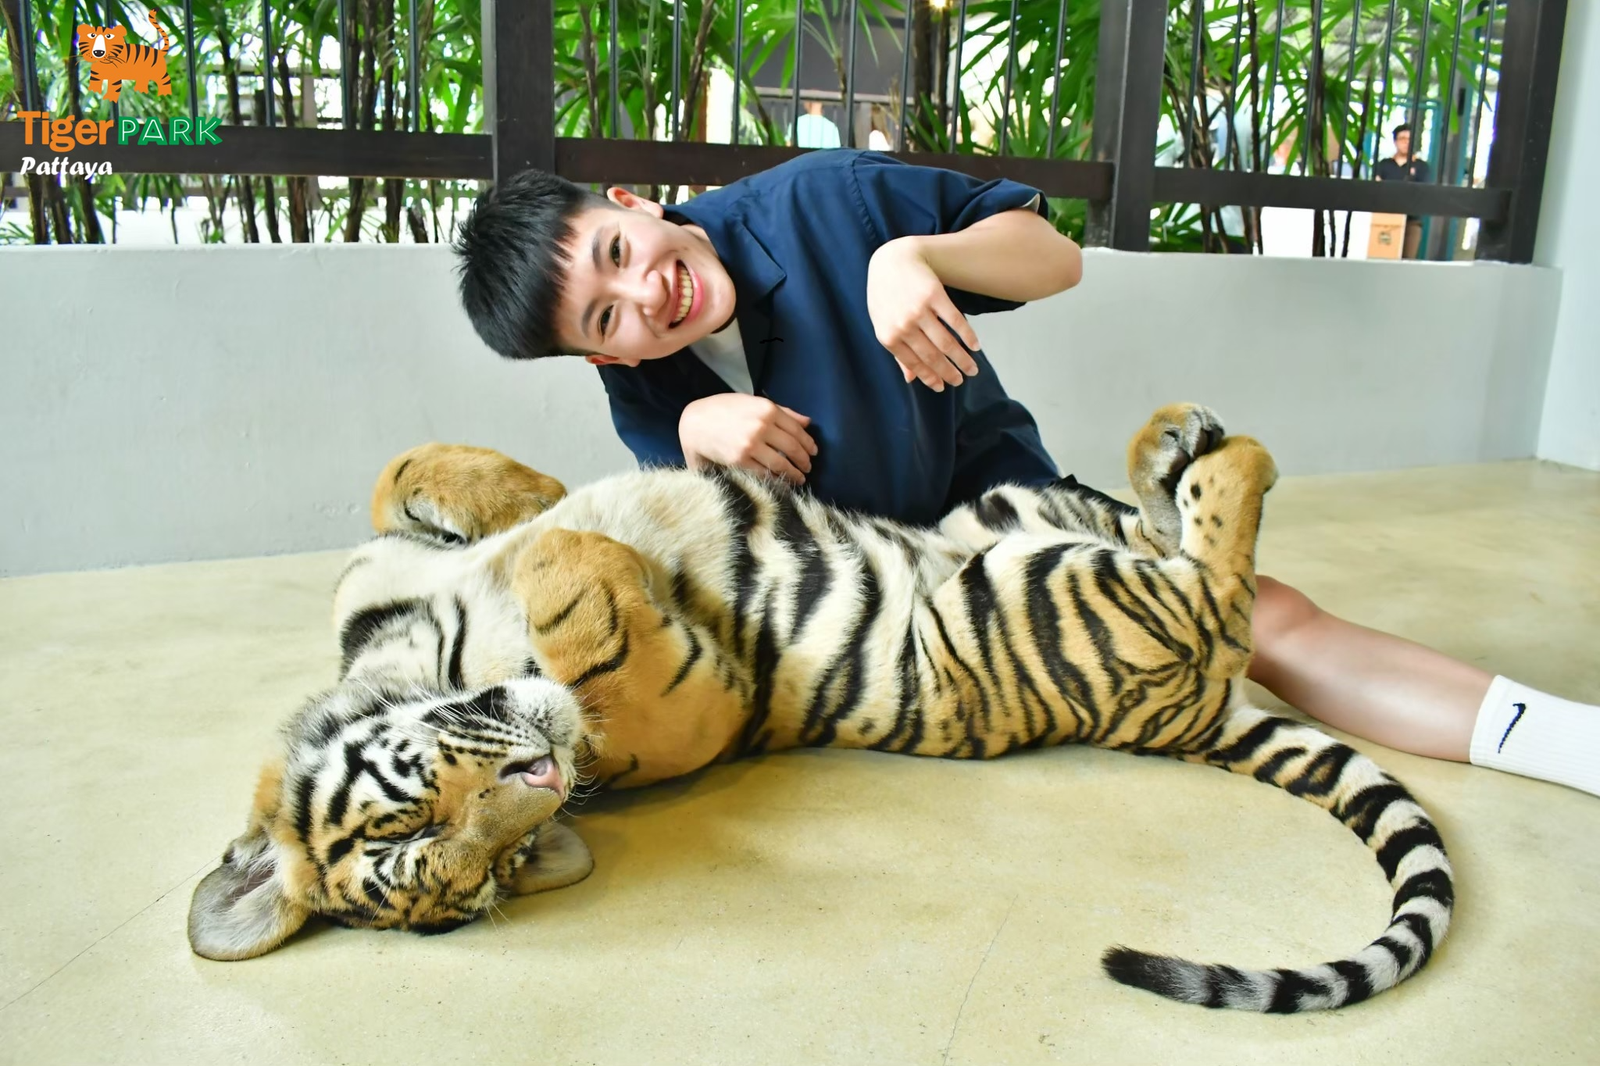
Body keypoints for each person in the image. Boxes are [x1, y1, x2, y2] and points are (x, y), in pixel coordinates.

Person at [452, 150, 1599, 798]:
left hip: (996, 521)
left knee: (1248, 620)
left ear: (631, 204)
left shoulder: (820, 200)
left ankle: (1558, 738)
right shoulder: (645, 386)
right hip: (866, 632)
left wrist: (914, 256)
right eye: (607, 316)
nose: (644, 293)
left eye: (619, 252)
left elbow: (1054, 255)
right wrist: (695, 433)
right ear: (603, 357)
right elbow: (699, 543)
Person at [1375, 123, 1433, 259]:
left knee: (1407, 260)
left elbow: (1421, 192)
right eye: (1402, 139)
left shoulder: (1422, 166)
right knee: (1382, 257)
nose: (1406, 142)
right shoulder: (1384, 164)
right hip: (1386, 218)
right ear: (1395, 141)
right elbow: (1377, 189)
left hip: (1411, 220)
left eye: (1409, 139)